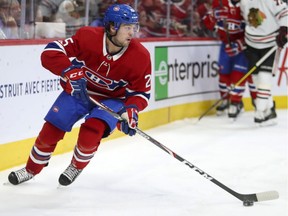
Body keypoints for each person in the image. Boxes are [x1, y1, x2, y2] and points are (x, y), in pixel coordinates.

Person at [8, 4, 152, 186]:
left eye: (134, 27)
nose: (132, 33)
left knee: (91, 132)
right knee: (50, 131)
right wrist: (68, 71)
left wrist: (131, 110)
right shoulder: (88, 37)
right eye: (127, 27)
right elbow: (51, 51)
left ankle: (76, 166)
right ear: (112, 27)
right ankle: (30, 170)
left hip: (112, 100)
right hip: (78, 92)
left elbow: (140, 92)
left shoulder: (141, 56)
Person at [202, 0, 257, 119]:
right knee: (223, 75)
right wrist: (211, 22)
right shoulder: (219, 3)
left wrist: (241, 44)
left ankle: (235, 103)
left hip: (244, 48)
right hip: (225, 44)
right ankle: (226, 100)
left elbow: (257, 28)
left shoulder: (249, 5)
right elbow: (208, 19)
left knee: (238, 75)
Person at [240, 0, 287, 124]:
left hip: (270, 44)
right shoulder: (244, 1)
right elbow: (248, 19)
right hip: (251, 44)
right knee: (256, 79)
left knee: (264, 77)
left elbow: (284, 13)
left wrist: (284, 29)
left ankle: (259, 111)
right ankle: (270, 108)